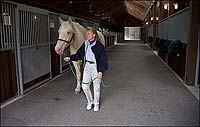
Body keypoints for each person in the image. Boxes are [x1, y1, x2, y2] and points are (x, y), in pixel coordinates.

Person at [64, 27, 108, 112]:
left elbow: (103, 60)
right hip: (87, 66)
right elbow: (79, 54)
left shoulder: (100, 46)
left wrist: (101, 71)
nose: (87, 35)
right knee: (84, 86)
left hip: (96, 67)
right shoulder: (85, 44)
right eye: (86, 33)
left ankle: (96, 104)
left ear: (94, 35)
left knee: (96, 88)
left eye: (89, 33)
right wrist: (70, 58)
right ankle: (90, 102)